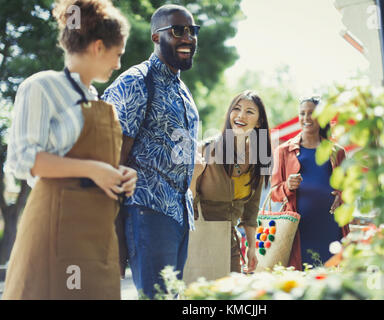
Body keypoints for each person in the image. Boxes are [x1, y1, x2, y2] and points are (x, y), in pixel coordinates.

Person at [2, 0, 135, 300]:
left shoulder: (99, 101)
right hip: (54, 229)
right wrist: (92, 170)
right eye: (117, 55)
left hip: (98, 233)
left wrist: (120, 174)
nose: (118, 65)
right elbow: (22, 159)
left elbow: (99, 164)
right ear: (98, 47)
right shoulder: (41, 87)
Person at [102, 4, 201, 299]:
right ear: (156, 37)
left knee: (171, 297)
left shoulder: (183, 91)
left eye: (192, 31)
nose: (188, 37)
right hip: (147, 209)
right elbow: (114, 154)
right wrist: (114, 230)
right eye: (177, 30)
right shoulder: (137, 81)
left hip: (180, 213)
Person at [190, 90, 272, 273]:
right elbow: (187, 199)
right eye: (237, 108)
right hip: (198, 237)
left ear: (259, 122)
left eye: (250, 111)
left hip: (229, 240)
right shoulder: (206, 150)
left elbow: (251, 210)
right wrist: (195, 175)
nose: (241, 115)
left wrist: (252, 247)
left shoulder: (259, 158)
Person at [270, 97, 350, 270]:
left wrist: (341, 196)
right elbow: (274, 193)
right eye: (302, 113)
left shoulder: (337, 152)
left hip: (330, 226)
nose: (305, 118)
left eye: (311, 113)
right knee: (301, 277)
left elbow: (349, 190)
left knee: (331, 277)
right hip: (298, 230)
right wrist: (287, 186)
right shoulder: (283, 151)